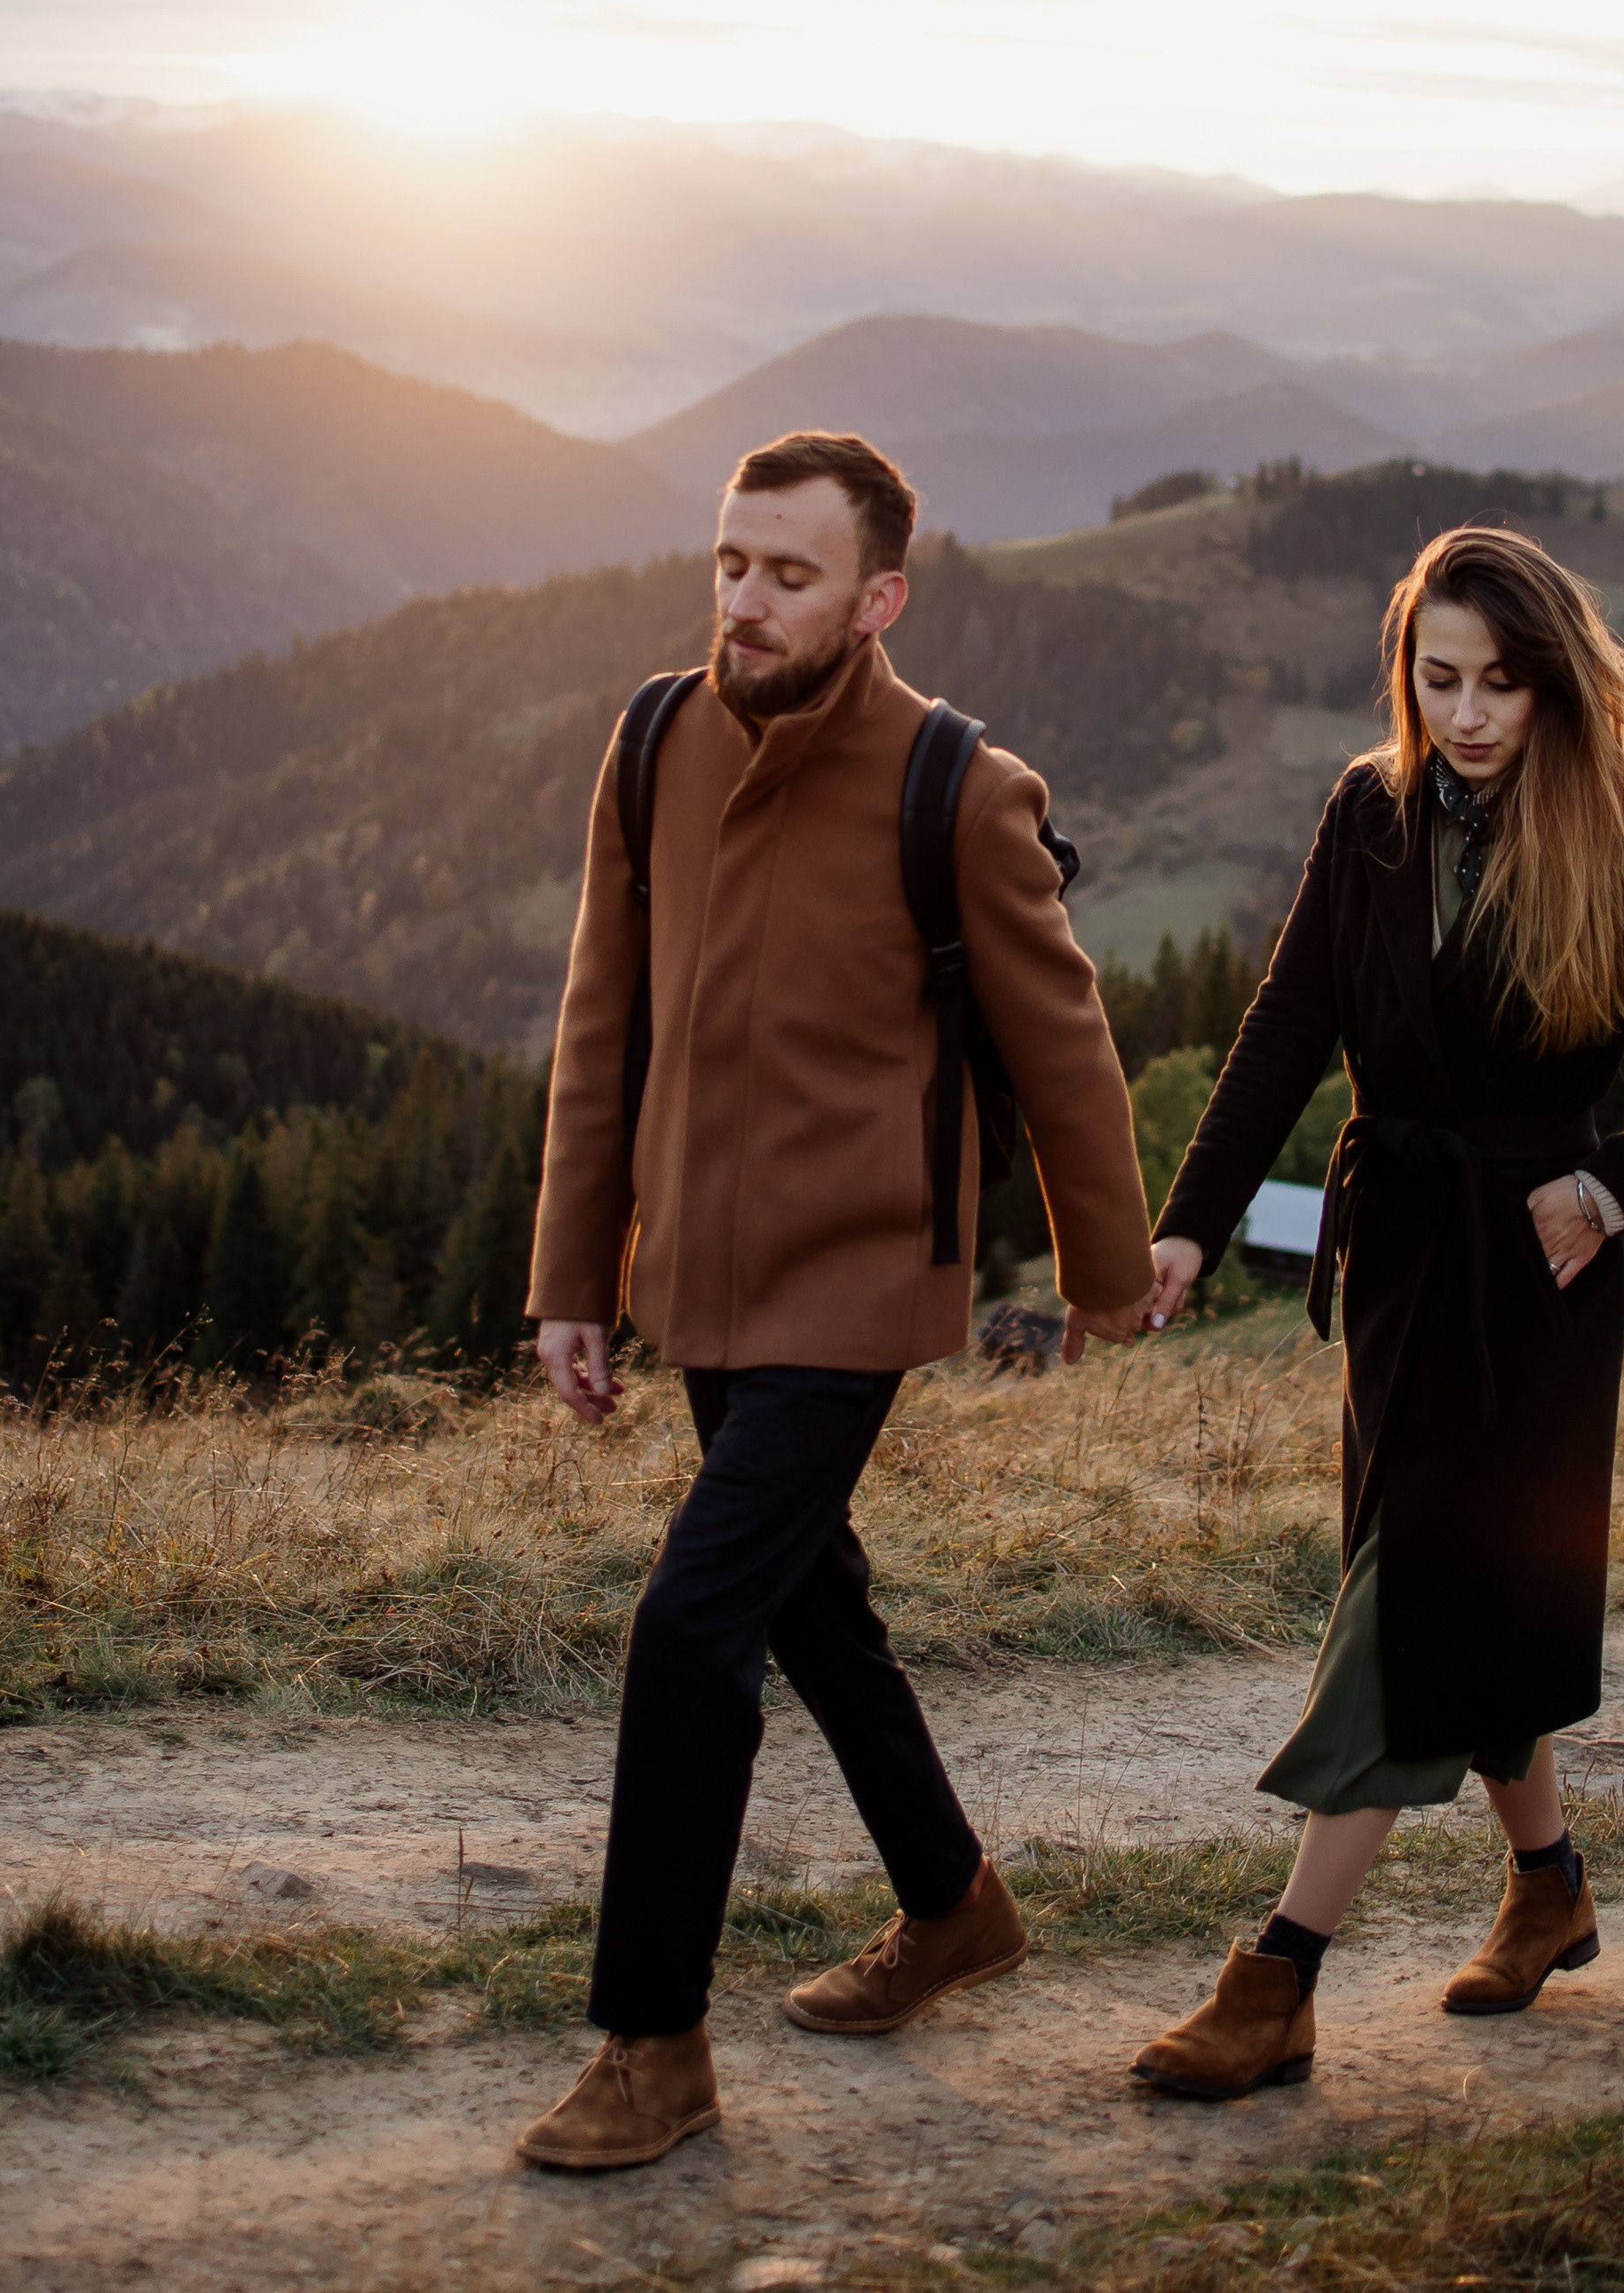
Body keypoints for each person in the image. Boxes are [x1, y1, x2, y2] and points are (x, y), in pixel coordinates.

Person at [513, 429, 1155, 2170]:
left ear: (875, 598)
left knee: (692, 1626)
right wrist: (575, 1274)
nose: (746, 598)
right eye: (730, 561)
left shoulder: (958, 783)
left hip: (863, 1282)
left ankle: (653, 2048)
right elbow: (601, 1024)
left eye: (788, 573)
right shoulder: (651, 741)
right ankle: (954, 1904)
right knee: (811, 1609)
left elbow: (1064, 1046)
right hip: (700, 1279)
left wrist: (1106, 1277)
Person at [1127, 524, 1624, 2100]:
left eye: (1502, 681)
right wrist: (1189, 1229)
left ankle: (1276, 1977)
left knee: (1406, 1608)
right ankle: (1548, 1886)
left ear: (1554, 681)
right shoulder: (1365, 812)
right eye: (1441, 680)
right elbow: (1287, 1027)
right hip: (1401, 1267)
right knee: (1445, 1591)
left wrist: (1610, 1185)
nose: (1471, 712)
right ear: (1403, 674)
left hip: (1535, 1285)